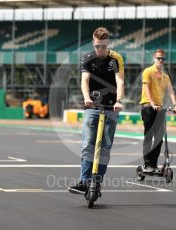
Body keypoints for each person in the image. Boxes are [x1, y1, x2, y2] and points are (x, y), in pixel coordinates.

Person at [68, 27, 124, 194]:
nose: (100, 50)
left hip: (111, 107)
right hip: (92, 106)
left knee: (105, 147)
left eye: (103, 46)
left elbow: (120, 81)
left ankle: (96, 183)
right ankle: (85, 181)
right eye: (97, 46)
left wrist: (119, 101)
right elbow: (84, 80)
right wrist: (87, 98)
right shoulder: (87, 58)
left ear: (108, 43)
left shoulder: (116, 58)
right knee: (88, 144)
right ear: (93, 43)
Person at [140, 49, 176, 173]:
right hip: (148, 107)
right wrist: (152, 104)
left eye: (163, 59)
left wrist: (175, 105)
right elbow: (146, 88)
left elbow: (171, 91)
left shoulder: (165, 76)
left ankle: (153, 164)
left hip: (159, 108)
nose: (161, 61)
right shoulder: (148, 72)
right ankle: (147, 164)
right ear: (154, 59)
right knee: (149, 136)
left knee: (159, 138)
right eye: (159, 58)